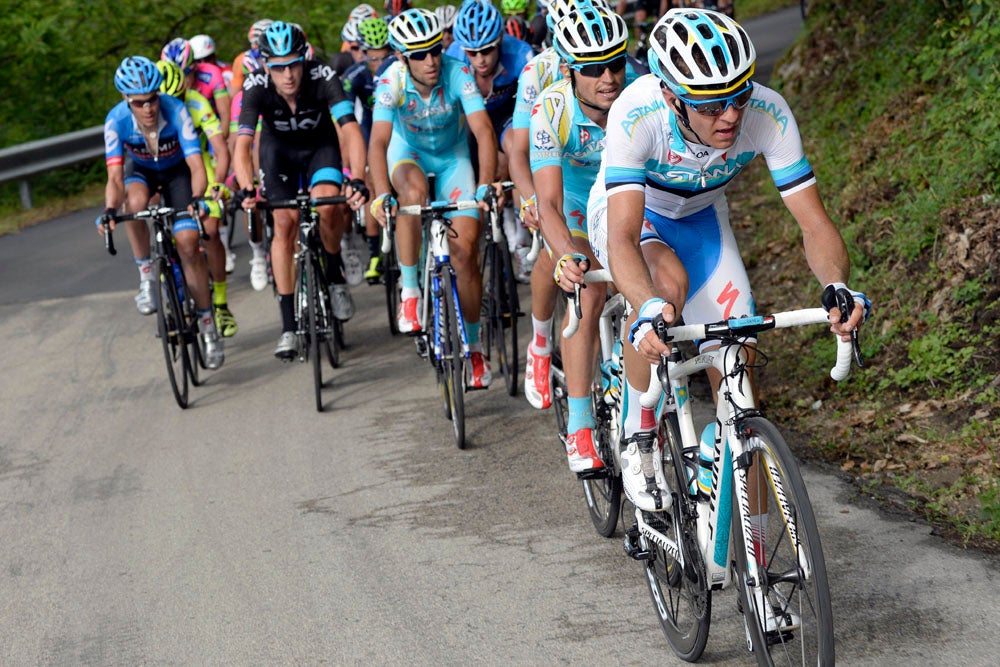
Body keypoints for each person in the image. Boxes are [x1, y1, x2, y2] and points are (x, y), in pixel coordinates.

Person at [589, 9, 870, 511]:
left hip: (701, 218)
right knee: (665, 289)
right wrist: (646, 307)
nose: (731, 116)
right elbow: (624, 237)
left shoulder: (768, 112)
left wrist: (836, 285)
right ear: (673, 98)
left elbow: (814, 223)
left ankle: (750, 528)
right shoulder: (636, 112)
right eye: (712, 104)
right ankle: (640, 432)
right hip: (636, 216)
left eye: (739, 97)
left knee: (739, 361)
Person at [368, 7, 499, 389]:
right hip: (408, 154)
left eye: (435, 50)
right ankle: (410, 291)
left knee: (466, 254)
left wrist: (485, 185)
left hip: (453, 160)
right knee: (411, 195)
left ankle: (474, 348)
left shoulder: (458, 73)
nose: (431, 61)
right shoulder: (390, 81)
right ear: (401, 57)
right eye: (420, 55)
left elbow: (484, 132)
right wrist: (381, 195)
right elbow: (377, 142)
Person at [530, 4, 632, 473]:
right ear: (569, 69)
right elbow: (548, 203)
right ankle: (580, 425)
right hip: (573, 202)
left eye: (616, 63)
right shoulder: (551, 109)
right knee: (589, 289)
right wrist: (566, 255)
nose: (608, 77)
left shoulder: (642, 90)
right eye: (593, 69)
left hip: (624, 195)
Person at [233, 21, 369, 360]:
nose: (288, 75)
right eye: (279, 68)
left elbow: (350, 130)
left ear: (304, 59)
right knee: (284, 223)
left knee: (327, 205)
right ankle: (288, 326)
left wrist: (357, 178)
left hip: (320, 148)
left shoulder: (323, 76)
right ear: (266, 65)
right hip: (278, 153)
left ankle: (334, 275)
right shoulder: (255, 86)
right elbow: (243, 143)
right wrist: (246, 186)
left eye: (294, 65)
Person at [99, 56, 225, 369]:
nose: (148, 108)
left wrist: (196, 198)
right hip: (141, 172)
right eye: (139, 103)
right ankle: (146, 275)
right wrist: (110, 210)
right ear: (126, 100)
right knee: (134, 205)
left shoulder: (176, 109)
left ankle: (207, 324)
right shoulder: (116, 120)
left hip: (178, 174)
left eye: (153, 99)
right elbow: (115, 178)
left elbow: (196, 165)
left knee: (188, 244)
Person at [156, 59, 238, 338]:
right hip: (164, 171)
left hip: (198, 165)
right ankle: (174, 287)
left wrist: (218, 183)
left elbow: (220, 149)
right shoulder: (149, 110)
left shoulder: (196, 102)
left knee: (210, 230)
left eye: (177, 98)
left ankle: (221, 303)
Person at [341, 17, 398, 283]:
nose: (379, 63)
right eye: (373, 58)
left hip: (399, 129)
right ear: (363, 54)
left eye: (384, 56)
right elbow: (344, 121)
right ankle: (375, 253)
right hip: (369, 129)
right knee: (373, 185)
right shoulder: (354, 76)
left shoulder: (399, 69)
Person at [162, 38, 230, 140]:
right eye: (175, 77)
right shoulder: (162, 82)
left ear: (194, 66)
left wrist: (220, 143)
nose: (181, 81)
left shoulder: (211, 73)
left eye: (185, 73)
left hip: (212, 123)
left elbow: (225, 115)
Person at [230, 19, 272, 94]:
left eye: (256, 43)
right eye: (252, 43)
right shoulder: (242, 59)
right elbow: (235, 94)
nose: (253, 46)